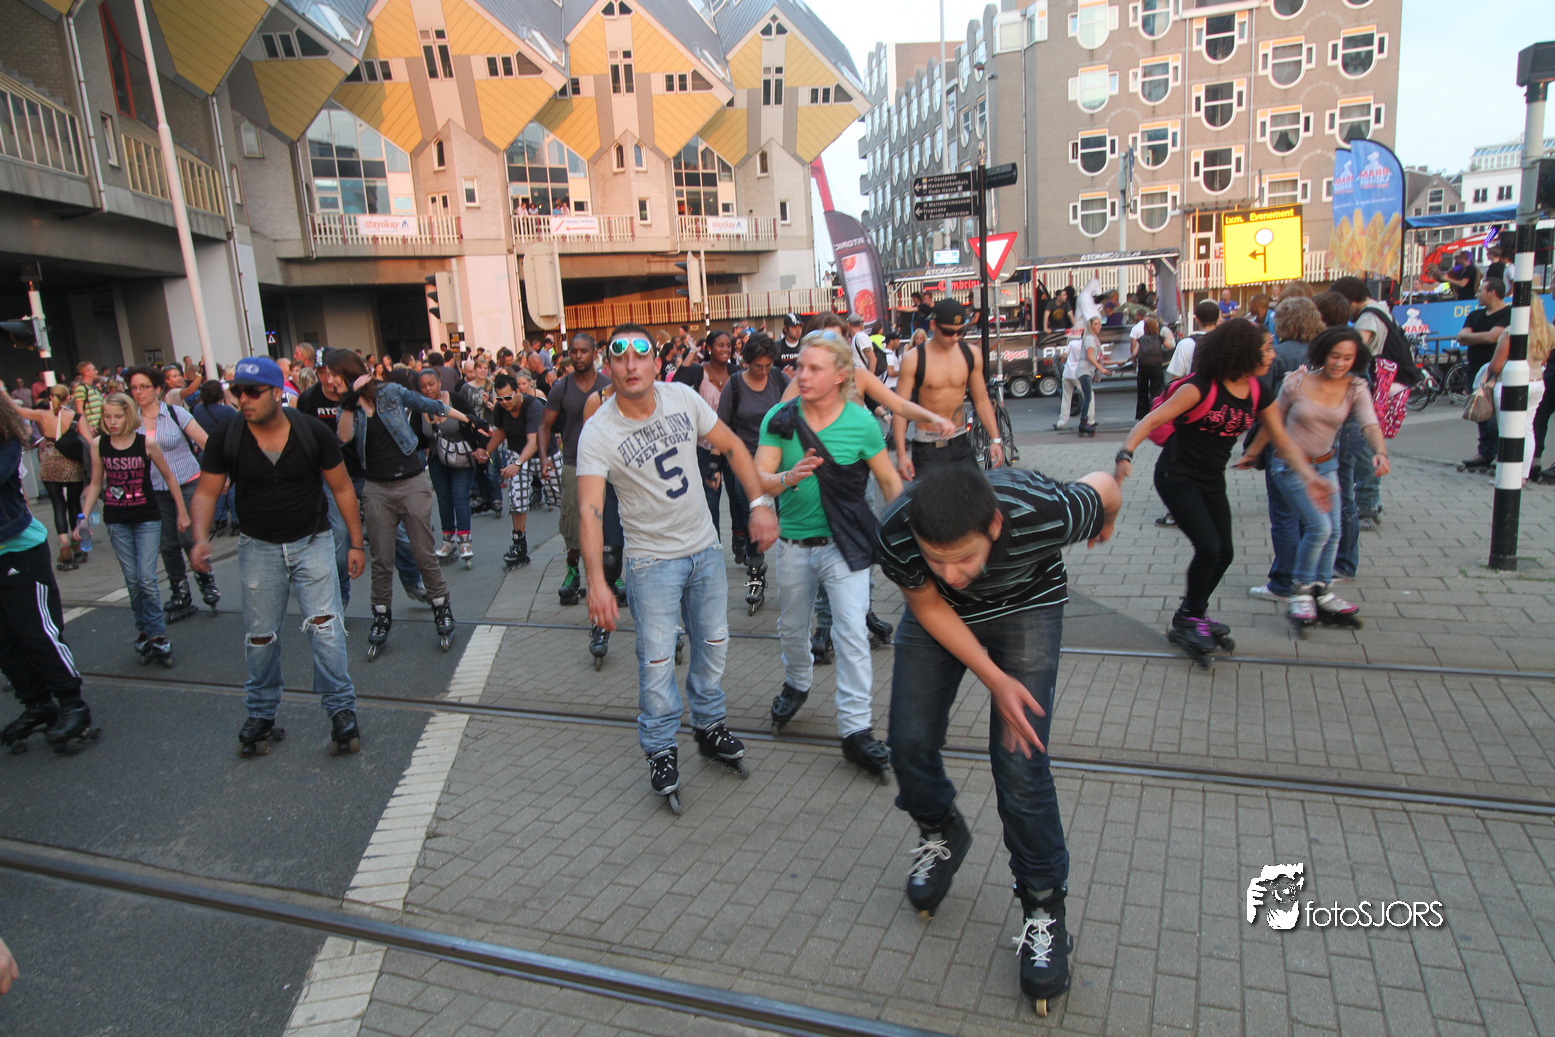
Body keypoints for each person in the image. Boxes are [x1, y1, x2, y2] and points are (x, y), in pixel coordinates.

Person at [877, 462, 1119, 1011]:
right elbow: (930, 601)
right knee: (908, 739)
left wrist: (1108, 520)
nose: (952, 572)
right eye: (936, 559)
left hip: (1028, 605)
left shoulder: (1046, 512)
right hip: (941, 619)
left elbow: (1105, 486)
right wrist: (995, 678)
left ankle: (1043, 908)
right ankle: (941, 829)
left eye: (964, 557)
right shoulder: (896, 530)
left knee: (1020, 764)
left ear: (994, 526)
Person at [577, 325, 779, 811]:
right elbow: (589, 510)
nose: (631, 365)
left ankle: (708, 725)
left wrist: (758, 504)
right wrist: (597, 581)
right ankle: (661, 747)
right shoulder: (598, 430)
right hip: (650, 562)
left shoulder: (683, 399)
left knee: (714, 643)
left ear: (655, 363)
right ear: (609, 366)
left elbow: (733, 446)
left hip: (704, 548)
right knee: (657, 660)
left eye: (640, 354)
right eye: (620, 356)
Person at [1115, 320, 1330, 658]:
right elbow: (1151, 420)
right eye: (1267, 349)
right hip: (1177, 476)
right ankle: (1190, 616)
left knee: (1224, 552)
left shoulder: (1257, 390)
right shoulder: (1199, 388)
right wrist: (1125, 454)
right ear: (1242, 353)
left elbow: (1281, 438)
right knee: (1209, 548)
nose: (1273, 355)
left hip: (1212, 479)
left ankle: (1192, 613)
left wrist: (1310, 476)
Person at [190, 357, 365, 757]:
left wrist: (355, 544)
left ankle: (341, 710)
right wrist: (199, 538)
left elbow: (342, 488)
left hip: (312, 541)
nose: (243, 399)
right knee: (260, 638)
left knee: (325, 629)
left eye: (252, 392)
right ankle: (261, 714)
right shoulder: (227, 436)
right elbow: (206, 491)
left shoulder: (310, 431)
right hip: (258, 547)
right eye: (238, 392)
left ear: (276, 393)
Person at [756, 329, 904, 780]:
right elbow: (760, 479)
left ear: (840, 375)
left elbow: (889, 482)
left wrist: (908, 535)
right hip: (793, 546)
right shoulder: (780, 419)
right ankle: (797, 682)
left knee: (852, 633)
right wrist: (788, 478)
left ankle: (856, 730)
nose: (801, 375)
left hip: (844, 547)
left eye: (813, 368)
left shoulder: (860, 423)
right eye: (799, 366)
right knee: (791, 627)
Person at [1238, 328, 1389, 630]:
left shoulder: (1355, 388)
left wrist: (1380, 452)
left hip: (1326, 464)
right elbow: (1272, 420)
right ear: (1322, 354)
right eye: (1335, 356)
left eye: (1347, 358)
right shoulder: (1297, 381)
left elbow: (1370, 424)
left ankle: (1321, 589)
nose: (1340, 363)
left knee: (1334, 531)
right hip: (1288, 465)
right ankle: (1301, 590)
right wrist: (1252, 453)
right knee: (1319, 528)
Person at [329, 349, 468, 656]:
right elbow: (343, 437)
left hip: (411, 482)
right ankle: (381, 617)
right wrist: (349, 404)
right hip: (376, 487)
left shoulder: (390, 392)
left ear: (347, 372)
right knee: (381, 558)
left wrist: (470, 419)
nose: (329, 381)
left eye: (333, 375)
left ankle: (442, 608)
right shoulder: (346, 405)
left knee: (423, 552)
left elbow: (430, 405)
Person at [0, 393, 94, 754]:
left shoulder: (7, 439)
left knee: (37, 632)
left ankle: (73, 703)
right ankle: (37, 704)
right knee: (5, 642)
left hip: (19, 551)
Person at [299, 351, 427, 608]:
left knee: (399, 536)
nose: (328, 380)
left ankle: (413, 582)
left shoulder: (366, 392)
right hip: (332, 475)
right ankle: (340, 599)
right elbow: (302, 435)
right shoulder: (309, 399)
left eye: (332, 374)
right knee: (340, 537)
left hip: (368, 473)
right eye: (323, 373)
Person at [75, 390, 187, 664]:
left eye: (117, 416)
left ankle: (157, 634)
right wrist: (83, 517)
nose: (112, 422)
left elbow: (169, 477)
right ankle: (144, 631)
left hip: (147, 517)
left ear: (129, 416)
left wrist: (182, 511)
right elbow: (96, 483)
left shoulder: (146, 444)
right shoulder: (99, 444)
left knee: (147, 578)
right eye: (107, 417)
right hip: (117, 519)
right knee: (133, 582)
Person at [1249, 297, 1329, 603]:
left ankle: (1284, 582)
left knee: (1284, 516)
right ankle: (1310, 578)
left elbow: (1262, 401)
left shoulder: (1277, 356)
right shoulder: (1326, 353)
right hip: (1321, 444)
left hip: (1283, 443)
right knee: (1313, 516)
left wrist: (1253, 446)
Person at [126, 366, 219, 620]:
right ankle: (180, 591)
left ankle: (206, 579)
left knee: (188, 536)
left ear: (157, 389)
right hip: (155, 489)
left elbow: (206, 443)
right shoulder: (131, 421)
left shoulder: (175, 413)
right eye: (134, 388)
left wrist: (218, 475)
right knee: (167, 543)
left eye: (144, 387)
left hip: (187, 481)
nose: (139, 392)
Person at [717, 332, 789, 608]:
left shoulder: (780, 380)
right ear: (747, 361)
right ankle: (755, 579)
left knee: (786, 518)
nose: (763, 371)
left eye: (768, 365)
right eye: (758, 366)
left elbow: (799, 409)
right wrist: (714, 464)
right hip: (745, 464)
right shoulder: (735, 385)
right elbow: (721, 427)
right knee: (752, 523)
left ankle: (793, 579)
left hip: (780, 462)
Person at [893, 299, 1005, 474]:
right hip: (927, 447)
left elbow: (981, 400)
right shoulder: (913, 359)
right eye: (948, 332)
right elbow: (900, 408)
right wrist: (901, 454)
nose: (955, 337)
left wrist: (995, 439)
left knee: (977, 491)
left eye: (960, 332)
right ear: (933, 325)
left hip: (960, 443)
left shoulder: (970, 354)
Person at [539, 332, 610, 605]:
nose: (578, 356)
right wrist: (545, 457)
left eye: (584, 351)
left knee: (608, 520)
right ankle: (572, 571)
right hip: (573, 462)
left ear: (594, 353)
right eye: (574, 351)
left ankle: (611, 572)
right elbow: (545, 425)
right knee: (572, 520)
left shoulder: (607, 385)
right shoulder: (561, 387)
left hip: (606, 464)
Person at [419, 369, 482, 567]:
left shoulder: (455, 399)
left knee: (459, 496)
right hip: (437, 459)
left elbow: (474, 422)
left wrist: (481, 448)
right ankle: (448, 540)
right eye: (423, 386)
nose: (428, 389)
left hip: (461, 457)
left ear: (439, 382)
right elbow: (416, 436)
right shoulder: (420, 406)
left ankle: (465, 541)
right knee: (444, 499)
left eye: (431, 384)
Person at [1487, 294, 1552, 484]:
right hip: (1537, 381)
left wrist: (1488, 375)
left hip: (1510, 383)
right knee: (1528, 429)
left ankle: (1507, 475)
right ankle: (1523, 474)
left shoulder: (1511, 332)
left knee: (1507, 430)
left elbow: (1496, 365)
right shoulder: (1547, 331)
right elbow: (1544, 359)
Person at [484, 372, 543, 568]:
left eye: (508, 397)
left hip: (544, 454)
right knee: (516, 498)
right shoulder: (501, 409)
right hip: (517, 453)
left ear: (518, 391)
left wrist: (517, 463)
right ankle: (519, 544)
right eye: (500, 399)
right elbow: (501, 431)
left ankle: (577, 536)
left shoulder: (533, 406)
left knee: (561, 497)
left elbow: (534, 442)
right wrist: (486, 451)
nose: (504, 402)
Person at [1455, 278, 1512, 470]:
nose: (1477, 294)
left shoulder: (1508, 314)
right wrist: (1483, 337)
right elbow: (1461, 337)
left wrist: (1474, 337)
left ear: (1492, 292)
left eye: (1480, 291)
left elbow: (1493, 337)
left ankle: (1498, 453)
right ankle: (1485, 452)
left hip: (1496, 371)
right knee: (1481, 411)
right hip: (1475, 371)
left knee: (1496, 415)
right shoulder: (1475, 315)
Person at [29, 385, 89, 571]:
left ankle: (64, 548)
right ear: (68, 397)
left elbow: (18, 411)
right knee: (74, 504)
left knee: (58, 505)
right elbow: (88, 441)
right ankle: (78, 544)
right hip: (72, 464)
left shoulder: (42, 415)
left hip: (50, 463)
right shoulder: (76, 417)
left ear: (50, 397)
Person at [1130, 316, 1172, 420]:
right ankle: (1154, 411)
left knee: (1142, 391)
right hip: (1156, 368)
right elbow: (1169, 346)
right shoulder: (1159, 338)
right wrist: (1168, 338)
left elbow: (1134, 353)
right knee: (1156, 390)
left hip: (1143, 368)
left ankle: (1142, 414)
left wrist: (1133, 360)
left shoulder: (1141, 339)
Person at [71, 361, 103, 433]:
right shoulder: (81, 388)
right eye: (93, 370)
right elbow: (79, 409)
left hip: (101, 426)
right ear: (87, 372)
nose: (96, 371)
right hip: (93, 428)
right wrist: (88, 426)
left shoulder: (94, 388)